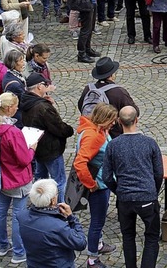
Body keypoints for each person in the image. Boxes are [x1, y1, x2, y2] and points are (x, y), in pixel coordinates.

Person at [102, 106, 164, 268]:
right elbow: (158, 174)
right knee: (151, 237)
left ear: (119, 122)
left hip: (125, 200)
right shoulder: (150, 143)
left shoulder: (113, 146)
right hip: (147, 198)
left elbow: (107, 177)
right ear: (137, 120)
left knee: (128, 236)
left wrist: (119, 190)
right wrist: (152, 191)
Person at [74, 103, 118, 267]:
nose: (113, 124)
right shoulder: (94, 137)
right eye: (112, 121)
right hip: (98, 186)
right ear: (104, 119)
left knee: (98, 219)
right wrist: (91, 184)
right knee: (97, 222)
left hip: (100, 181)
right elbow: (80, 163)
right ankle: (92, 259)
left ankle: (98, 244)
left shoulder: (93, 129)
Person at [21, 73, 74, 201]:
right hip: (50, 149)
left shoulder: (26, 101)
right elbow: (58, 127)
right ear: (39, 87)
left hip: (37, 147)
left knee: (40, 179)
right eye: (45, 85)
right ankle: (61, 208)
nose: (47, 86)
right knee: (59, 181)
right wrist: (70, 130)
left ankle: (38, 203)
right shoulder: (43, 107)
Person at [17, 178, 87, 267]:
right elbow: (81, 243)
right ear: (53, 200)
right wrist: (72, 218)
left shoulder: (22, 216)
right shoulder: (57, 227)